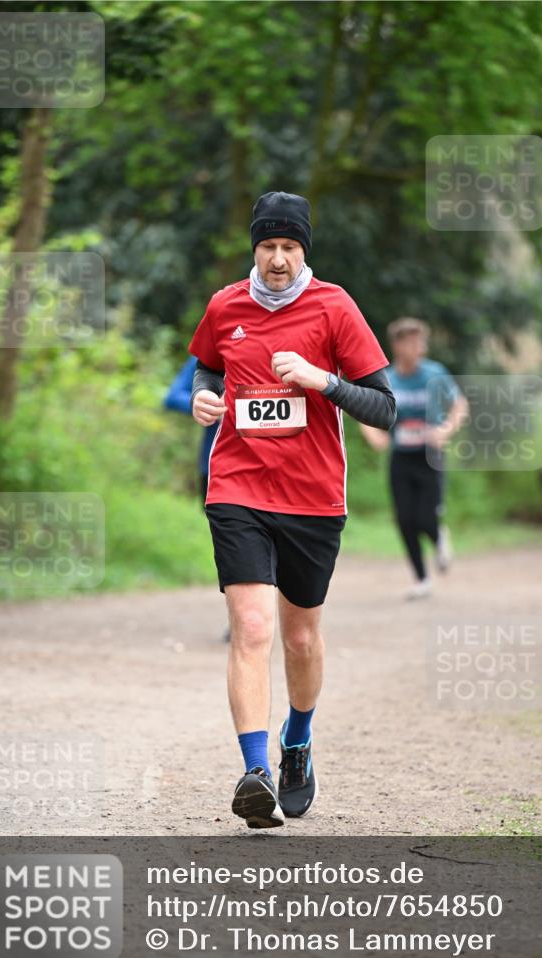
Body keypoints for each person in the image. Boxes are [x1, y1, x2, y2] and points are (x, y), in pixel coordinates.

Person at [189, 191, 396, 829]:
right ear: (253, 247)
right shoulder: (226, 306)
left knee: (299, 636)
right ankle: (254, 773)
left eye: (289, 247)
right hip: (237, 487)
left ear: (304, 249)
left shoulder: (334, 307)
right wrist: (204, 399)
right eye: (268, 246)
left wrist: (322, 380)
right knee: (251, 628)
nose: (278, 260)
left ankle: (297, 742)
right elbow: (204, 370)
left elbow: (385, 407)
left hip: (312, 498)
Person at [360, 317, 468, 599]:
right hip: (401, 458)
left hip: (431, 456)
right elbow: (366, 410)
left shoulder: (435, 373)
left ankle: (438, 536)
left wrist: (446, 429)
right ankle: (421, 579)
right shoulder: (389, 379)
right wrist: (374, 435)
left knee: (425, 515)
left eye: (421, 340)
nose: (419, 346)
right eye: (411, 341)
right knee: (405, 519)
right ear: (397, 345)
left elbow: (459, 405)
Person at [163, 355, 217, 504]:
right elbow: (173, 397)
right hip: (215, 466)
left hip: (273, 463)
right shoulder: (213, 353)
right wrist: (210, 405)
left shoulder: (282, 353)